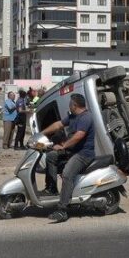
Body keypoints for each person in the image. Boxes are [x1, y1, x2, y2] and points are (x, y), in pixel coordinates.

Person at [40, 93, 97, 223]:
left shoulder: (86, 117)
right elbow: (58, 125)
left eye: (70, 104)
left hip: (83, 154)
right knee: (51, 156)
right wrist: (41, 133)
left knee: (67, 174)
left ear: (74, 105)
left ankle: (63, 210)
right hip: (72, 152)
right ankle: (51, 188)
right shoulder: (73, 116)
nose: (69, 106)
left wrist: (63, 146)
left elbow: (79, 135)